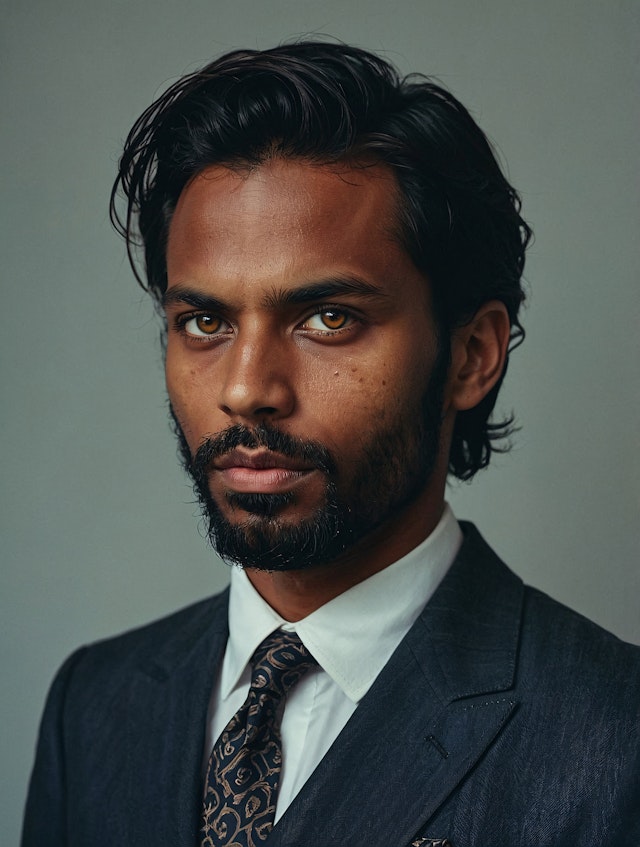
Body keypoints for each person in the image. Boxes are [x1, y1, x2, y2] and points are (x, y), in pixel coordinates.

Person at [22, 41, 639, 847]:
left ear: (471, 356)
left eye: (328, 318)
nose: (246, 387)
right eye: (204, 322)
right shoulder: (94, 702)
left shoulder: (614, 735)